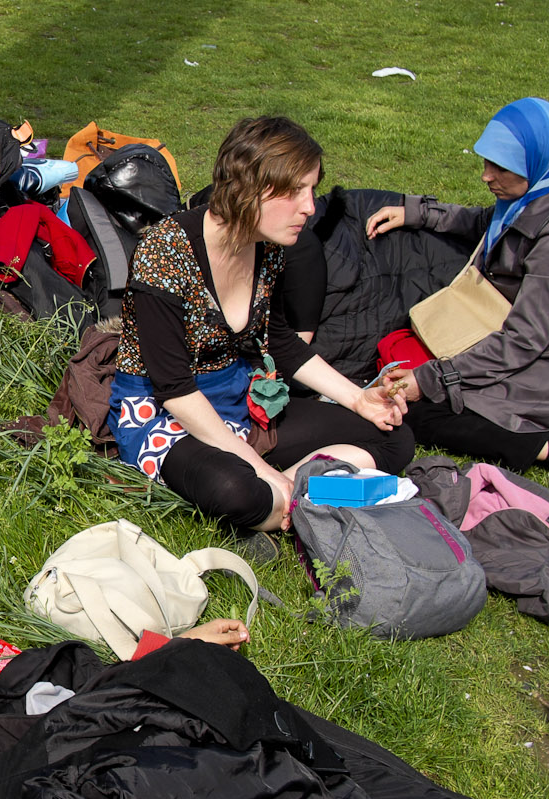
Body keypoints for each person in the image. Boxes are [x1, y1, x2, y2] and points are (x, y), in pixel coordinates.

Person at [110, 117, 412, 532]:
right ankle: (293, 490)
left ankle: (286, 498)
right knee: (237, 489)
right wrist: (258, 468)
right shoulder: (164, 252)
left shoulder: (267, 247)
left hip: (237, 398)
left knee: (394, 438)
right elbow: (174, 389)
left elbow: (280, 341)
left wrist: (357, 399)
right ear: (247, 188)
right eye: (295, 192)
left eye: (312, 190)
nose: (309, 207)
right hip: (166, 411)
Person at [367, 97, 549, 499]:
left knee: (423, 412)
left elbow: (525, 339)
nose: (486, 177)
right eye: (487, 162)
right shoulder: (546, 190)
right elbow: (488, 222)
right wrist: (419, 213)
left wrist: (430, 379)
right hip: (537, 342)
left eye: (501, 168)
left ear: (537, 165)